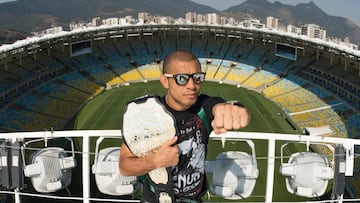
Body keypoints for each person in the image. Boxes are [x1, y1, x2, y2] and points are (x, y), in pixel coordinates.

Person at [119, 50, 250, 202]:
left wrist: (235, 110)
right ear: (165, 81)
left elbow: (219, 106)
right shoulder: (147, 115)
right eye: (182, 79)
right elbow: (124, 166)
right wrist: (155, 161)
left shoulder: (202, 109)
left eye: (198, 78)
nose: (192, 85)